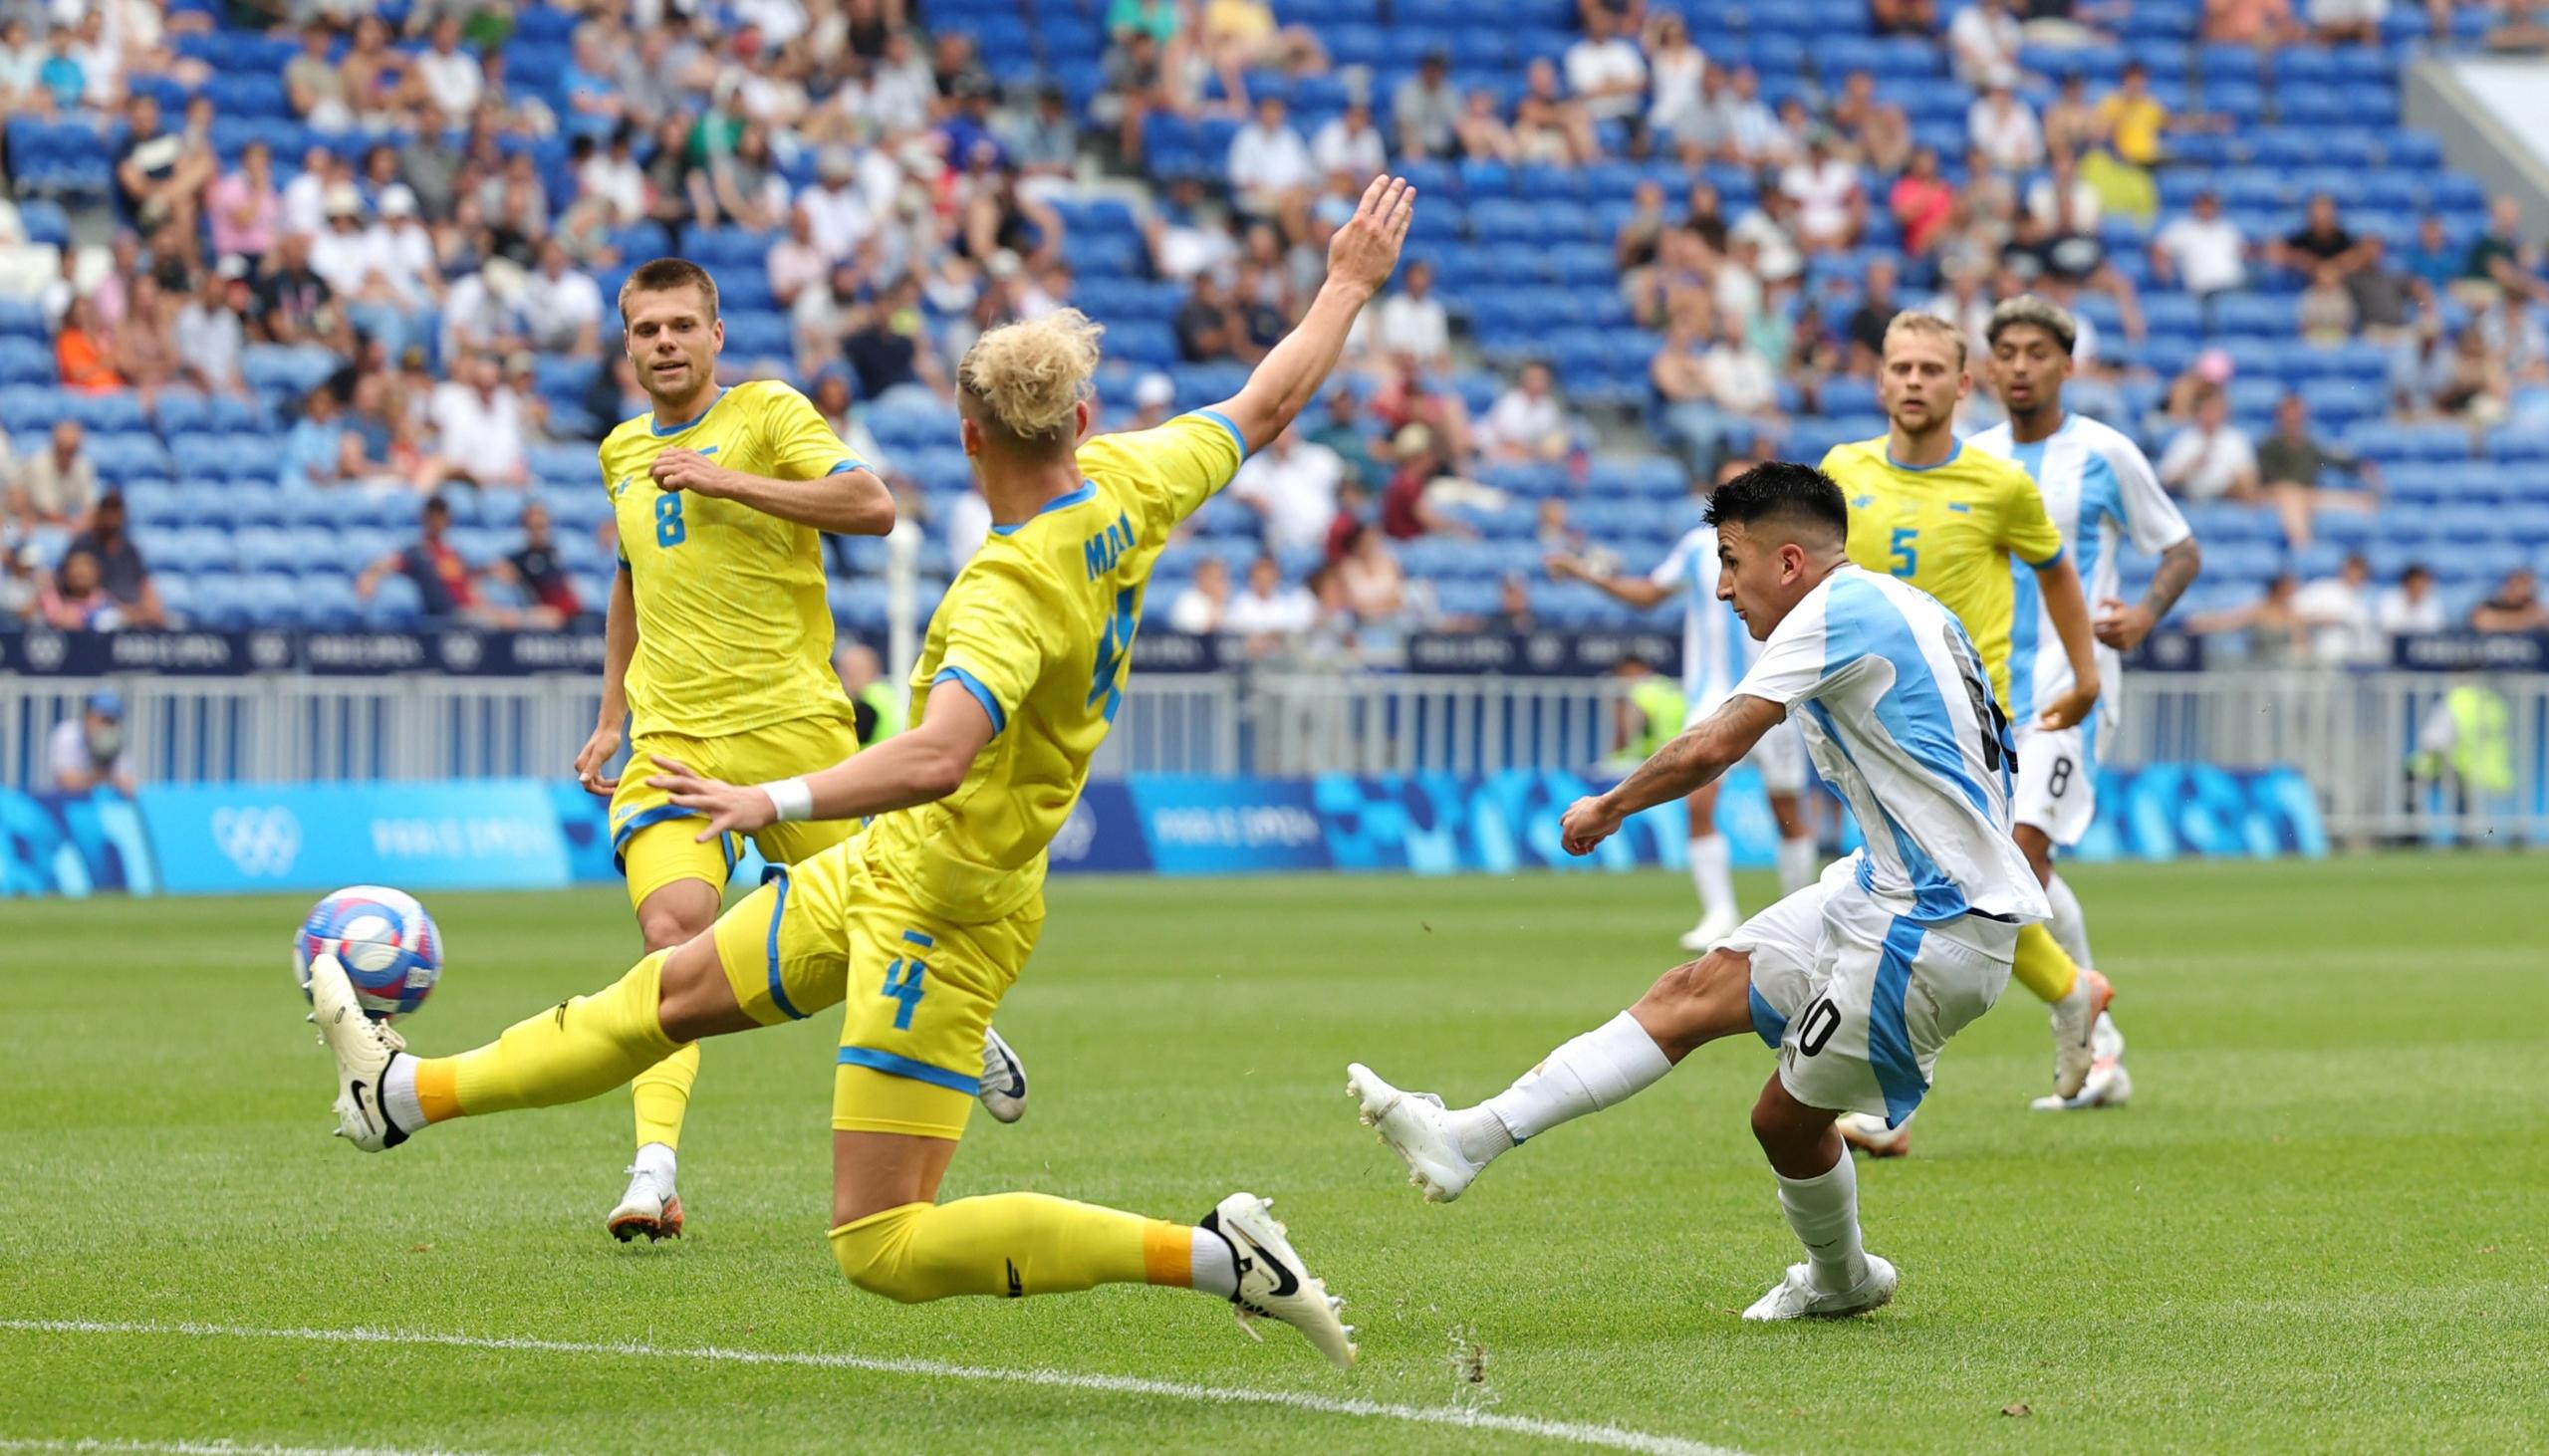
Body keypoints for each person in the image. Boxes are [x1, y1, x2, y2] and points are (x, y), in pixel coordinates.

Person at [301, 176, 1421, 1368]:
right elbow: (1270, 394)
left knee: (880, 1242)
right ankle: (401, 1095)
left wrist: (767, 802)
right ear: (1082, 424)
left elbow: (939, 753)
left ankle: (1216, 1255)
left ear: (969, 435)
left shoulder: (1009, 589)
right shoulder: (1135, 484)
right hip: (894, 870)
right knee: (669, 989)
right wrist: (1347, 281)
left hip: (947, 912)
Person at [1348, 461, 2048, 1323]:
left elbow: (1714, 744)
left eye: (1730, 562)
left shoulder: (1831, 613)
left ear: (1788, 562)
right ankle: (1469, 1139)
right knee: (1689, 992)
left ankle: (1842, 1280)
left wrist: (1608, 805)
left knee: (1782, 1123)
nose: (1720, 589)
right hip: (1883, 891)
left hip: (1931, 930)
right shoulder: (1899, 605)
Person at [550, 257, 1019, 1243]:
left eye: (683, 325)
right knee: (672, 940)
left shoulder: (766, 412)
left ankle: (956, 1021)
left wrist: (727, 478)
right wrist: (609, 716)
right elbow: (632, 574)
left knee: (895, 920)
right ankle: (653, 1170)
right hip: (671, 742)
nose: (666, 342)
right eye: (647, 330)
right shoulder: (620, 449)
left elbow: (874, 505)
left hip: (797, 731)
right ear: (627, 345)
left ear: (716, 337)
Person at [1893, 294, 2202, 1134]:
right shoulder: (1974, 460)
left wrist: (2139, 617)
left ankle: (1899, 1079)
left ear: (2066, 364)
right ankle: (2094, 1032)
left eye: (2037, 351)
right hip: (1984, 695)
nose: (2020, 365)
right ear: (1984, 370)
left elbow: (2179, 547)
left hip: (2071, 688)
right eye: (2007, 351)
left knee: (2011, 865)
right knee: (2014, 874)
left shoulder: (2104, 452)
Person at [1817, 311, 2113, 1103]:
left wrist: (2084, 676)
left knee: (1916, 903)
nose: (1914, 381)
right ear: (1880, 380)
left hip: (1961, 726)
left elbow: (2056, 573)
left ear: (1961, 384)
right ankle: (2069, 989)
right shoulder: (1841, 470)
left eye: (1930, 369)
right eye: (1900, 368)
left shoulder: (1997, 484)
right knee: (1962, 898)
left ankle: (1879, 1103)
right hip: (1861, 724)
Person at [1546, 472, 1822, 950]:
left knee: (1786, 807)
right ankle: (1719, 913)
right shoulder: (1698, 547)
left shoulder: (1784, 545)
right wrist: (1588, 576)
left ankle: (1799, 912)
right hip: (1713, 695)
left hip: (1776, 689)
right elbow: (1651, 594)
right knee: (1699, 800)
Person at [49, 691, 135, 795]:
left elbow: (127, 786)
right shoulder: (68, 734)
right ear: (88, 716)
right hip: (68, 804)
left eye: (111, 721)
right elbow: (67, 782)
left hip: (100, 805)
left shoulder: (115, 740)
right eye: (103, 720)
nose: (106, 726)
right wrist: (103, 776)